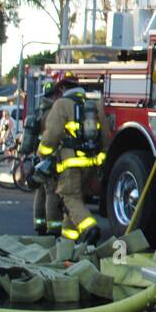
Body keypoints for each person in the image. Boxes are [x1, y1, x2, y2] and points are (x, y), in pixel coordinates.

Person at [34, 74, 109, 245]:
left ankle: (90, 228)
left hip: (70, 164)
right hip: (90, 164)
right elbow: (105, 137)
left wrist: (42, 154)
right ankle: (68, 243)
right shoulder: (95, 106)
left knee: (69, 197)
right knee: (74, 203)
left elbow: (51, 136)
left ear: (62, 89)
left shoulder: (61, 105)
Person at [21, 82, 63, 235]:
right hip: (49, 158)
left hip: (38, 158)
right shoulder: (53, 112)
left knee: (40, 192)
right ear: (55, 95)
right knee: (51, 191)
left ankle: (40, 224)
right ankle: (54, 227)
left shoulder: (40, 110)